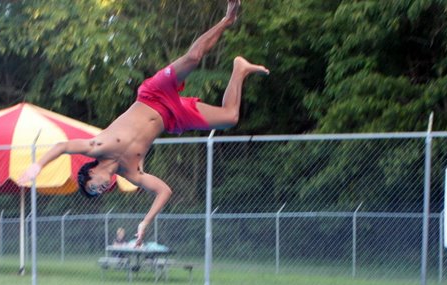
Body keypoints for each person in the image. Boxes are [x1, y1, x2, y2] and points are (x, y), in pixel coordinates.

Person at [19, 0, 267, 246]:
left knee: (193, 57)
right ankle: (239, 69)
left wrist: (38, 165)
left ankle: (227, 19)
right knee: (229, 118)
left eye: (92, 188)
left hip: (153, 95)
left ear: (90, 173)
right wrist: (145, 223)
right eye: (97, 193)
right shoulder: (131, 172)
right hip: (172, 116)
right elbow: (164, 191)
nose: (99, 190)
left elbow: (63, 146)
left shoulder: (97, 146)